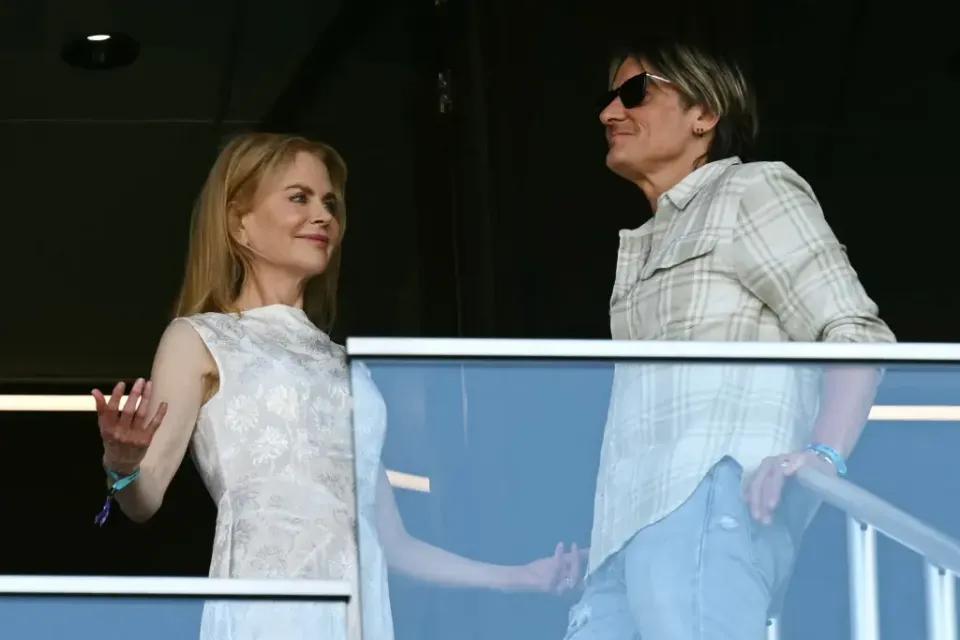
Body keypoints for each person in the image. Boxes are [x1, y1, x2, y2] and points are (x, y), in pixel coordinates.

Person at [92, 132, 578, 640]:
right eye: (298, 198)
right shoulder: (200, 338)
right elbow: (144, 498)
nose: (322, 216)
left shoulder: (348, 367)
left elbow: (393, 541)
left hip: (358, 612)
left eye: (329, 203)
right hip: (271, 609)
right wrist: (121, 464)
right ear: (239, 223)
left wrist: (522, 576)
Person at [561, 38, 896, 640]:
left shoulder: (752, 190)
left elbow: (856, 333)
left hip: (711, 502)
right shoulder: (644, 243)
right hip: (620, 538)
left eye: (636, 91)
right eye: (609, 98)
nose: (610, 113)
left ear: (705, 112)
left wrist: (822, 458)